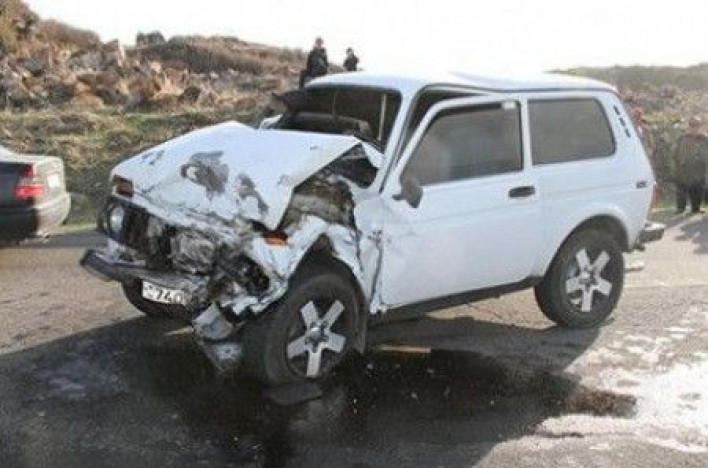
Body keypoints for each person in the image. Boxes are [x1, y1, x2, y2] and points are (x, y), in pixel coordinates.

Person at [672, 116, 708, 214]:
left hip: (699, 169)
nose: (694, 128)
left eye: (697, 125)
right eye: (692, 125)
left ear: (701, 126)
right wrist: (677, 164)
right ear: (689, 126)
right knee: (682, 189)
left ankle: (696, 208)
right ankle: (680, 208)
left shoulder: (705, 139)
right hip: (684, 169)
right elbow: (675, 152)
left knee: (697, 189)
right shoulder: (682, 138)